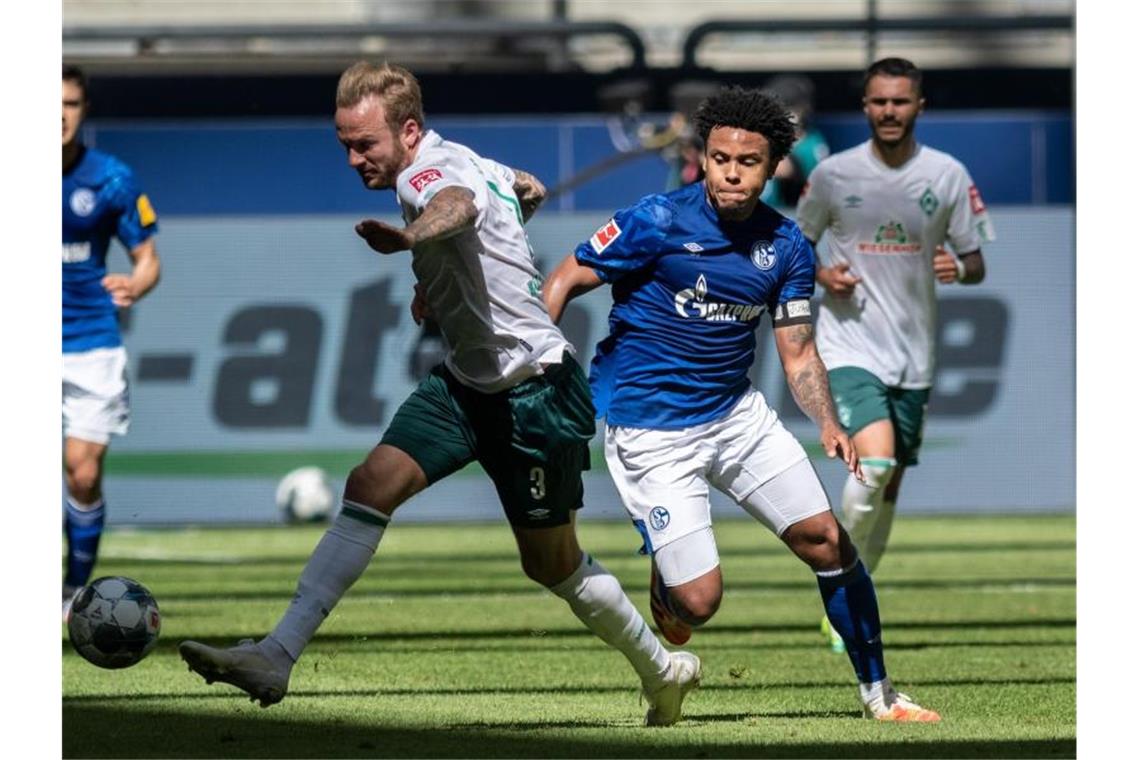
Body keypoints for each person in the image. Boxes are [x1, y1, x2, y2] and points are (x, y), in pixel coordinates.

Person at [178, 61, 700, 727]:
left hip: (534, 394)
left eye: (363, 144)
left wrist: (412, 240)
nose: (351, 158)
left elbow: (452, 207)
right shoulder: (463, 158)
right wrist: (446, 274)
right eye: (343, 143)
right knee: (370, 485)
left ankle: (663, 671)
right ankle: (278, 654)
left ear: (409, 132)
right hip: (465, 386)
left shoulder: (429, 177)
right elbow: (522, 187)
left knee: (552, 565)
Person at [543, 85, 940, 722]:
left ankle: (880, 696)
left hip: (736, 419)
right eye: (719, 157)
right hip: (650, 433)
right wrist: (540, 363)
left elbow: (800, 351)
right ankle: (669, 585)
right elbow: (564, 278)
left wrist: (829, 422)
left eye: (746, 161)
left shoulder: (785, 248)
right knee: (697, 606)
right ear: (704, 156)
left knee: (828, 542)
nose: (730, 170)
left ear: (774, 165)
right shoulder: (657, 219)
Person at [795, 58, 995, 653]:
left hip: (915, 355)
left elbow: (977, 260)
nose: (889, 112)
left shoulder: (948, 175)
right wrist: (820, 273)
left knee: (889, 486)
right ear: (865, 107)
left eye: (900, 102)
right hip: (848, 346)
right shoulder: (832, 175)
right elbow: (793, 249)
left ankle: (854, 595)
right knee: (874, 464)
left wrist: (958, 266)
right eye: (879, 102)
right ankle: (839, 590)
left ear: (919, 107)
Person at [62, 63, 161, 618]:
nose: (58, 114)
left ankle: (72, 590)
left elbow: (148, 260)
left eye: (70, 103)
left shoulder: (112, 179)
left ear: (83, 111)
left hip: (91, 343)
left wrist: (135, 284)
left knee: (82, 469)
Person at [758, 75, 830, 207]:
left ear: (804, 109)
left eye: (789, 108)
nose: (782, 115)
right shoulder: (764, 137)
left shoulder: (812, 144)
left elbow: (786, 169)